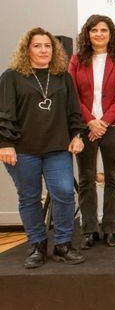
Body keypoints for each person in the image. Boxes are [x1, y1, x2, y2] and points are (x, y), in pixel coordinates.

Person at [0, 28, 86, 268]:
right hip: (23, 150)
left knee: (65, 193)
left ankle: (62, 245)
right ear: (27, 49)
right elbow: (3, 113)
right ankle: (36, 245)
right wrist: (5, 144)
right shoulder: (12, 76)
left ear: (54, 49)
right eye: (37, 46)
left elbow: (73, 111)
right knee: (29, 197)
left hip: (58, 148)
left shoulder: (62, 76)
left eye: (47, 46)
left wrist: (77, 135)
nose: (43, 50)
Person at [69, 15, 115, 249]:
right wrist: (91, 122)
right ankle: (89, 230)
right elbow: (72, 94)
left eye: (103, 30)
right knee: (86, 178)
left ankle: (111, 228)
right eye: (94, 30)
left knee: (114, 177)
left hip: (114, 126)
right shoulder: (76, 61)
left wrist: (103, 122)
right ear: (87, 34)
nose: (99, 34)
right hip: (85, 128)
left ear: (110, 33)